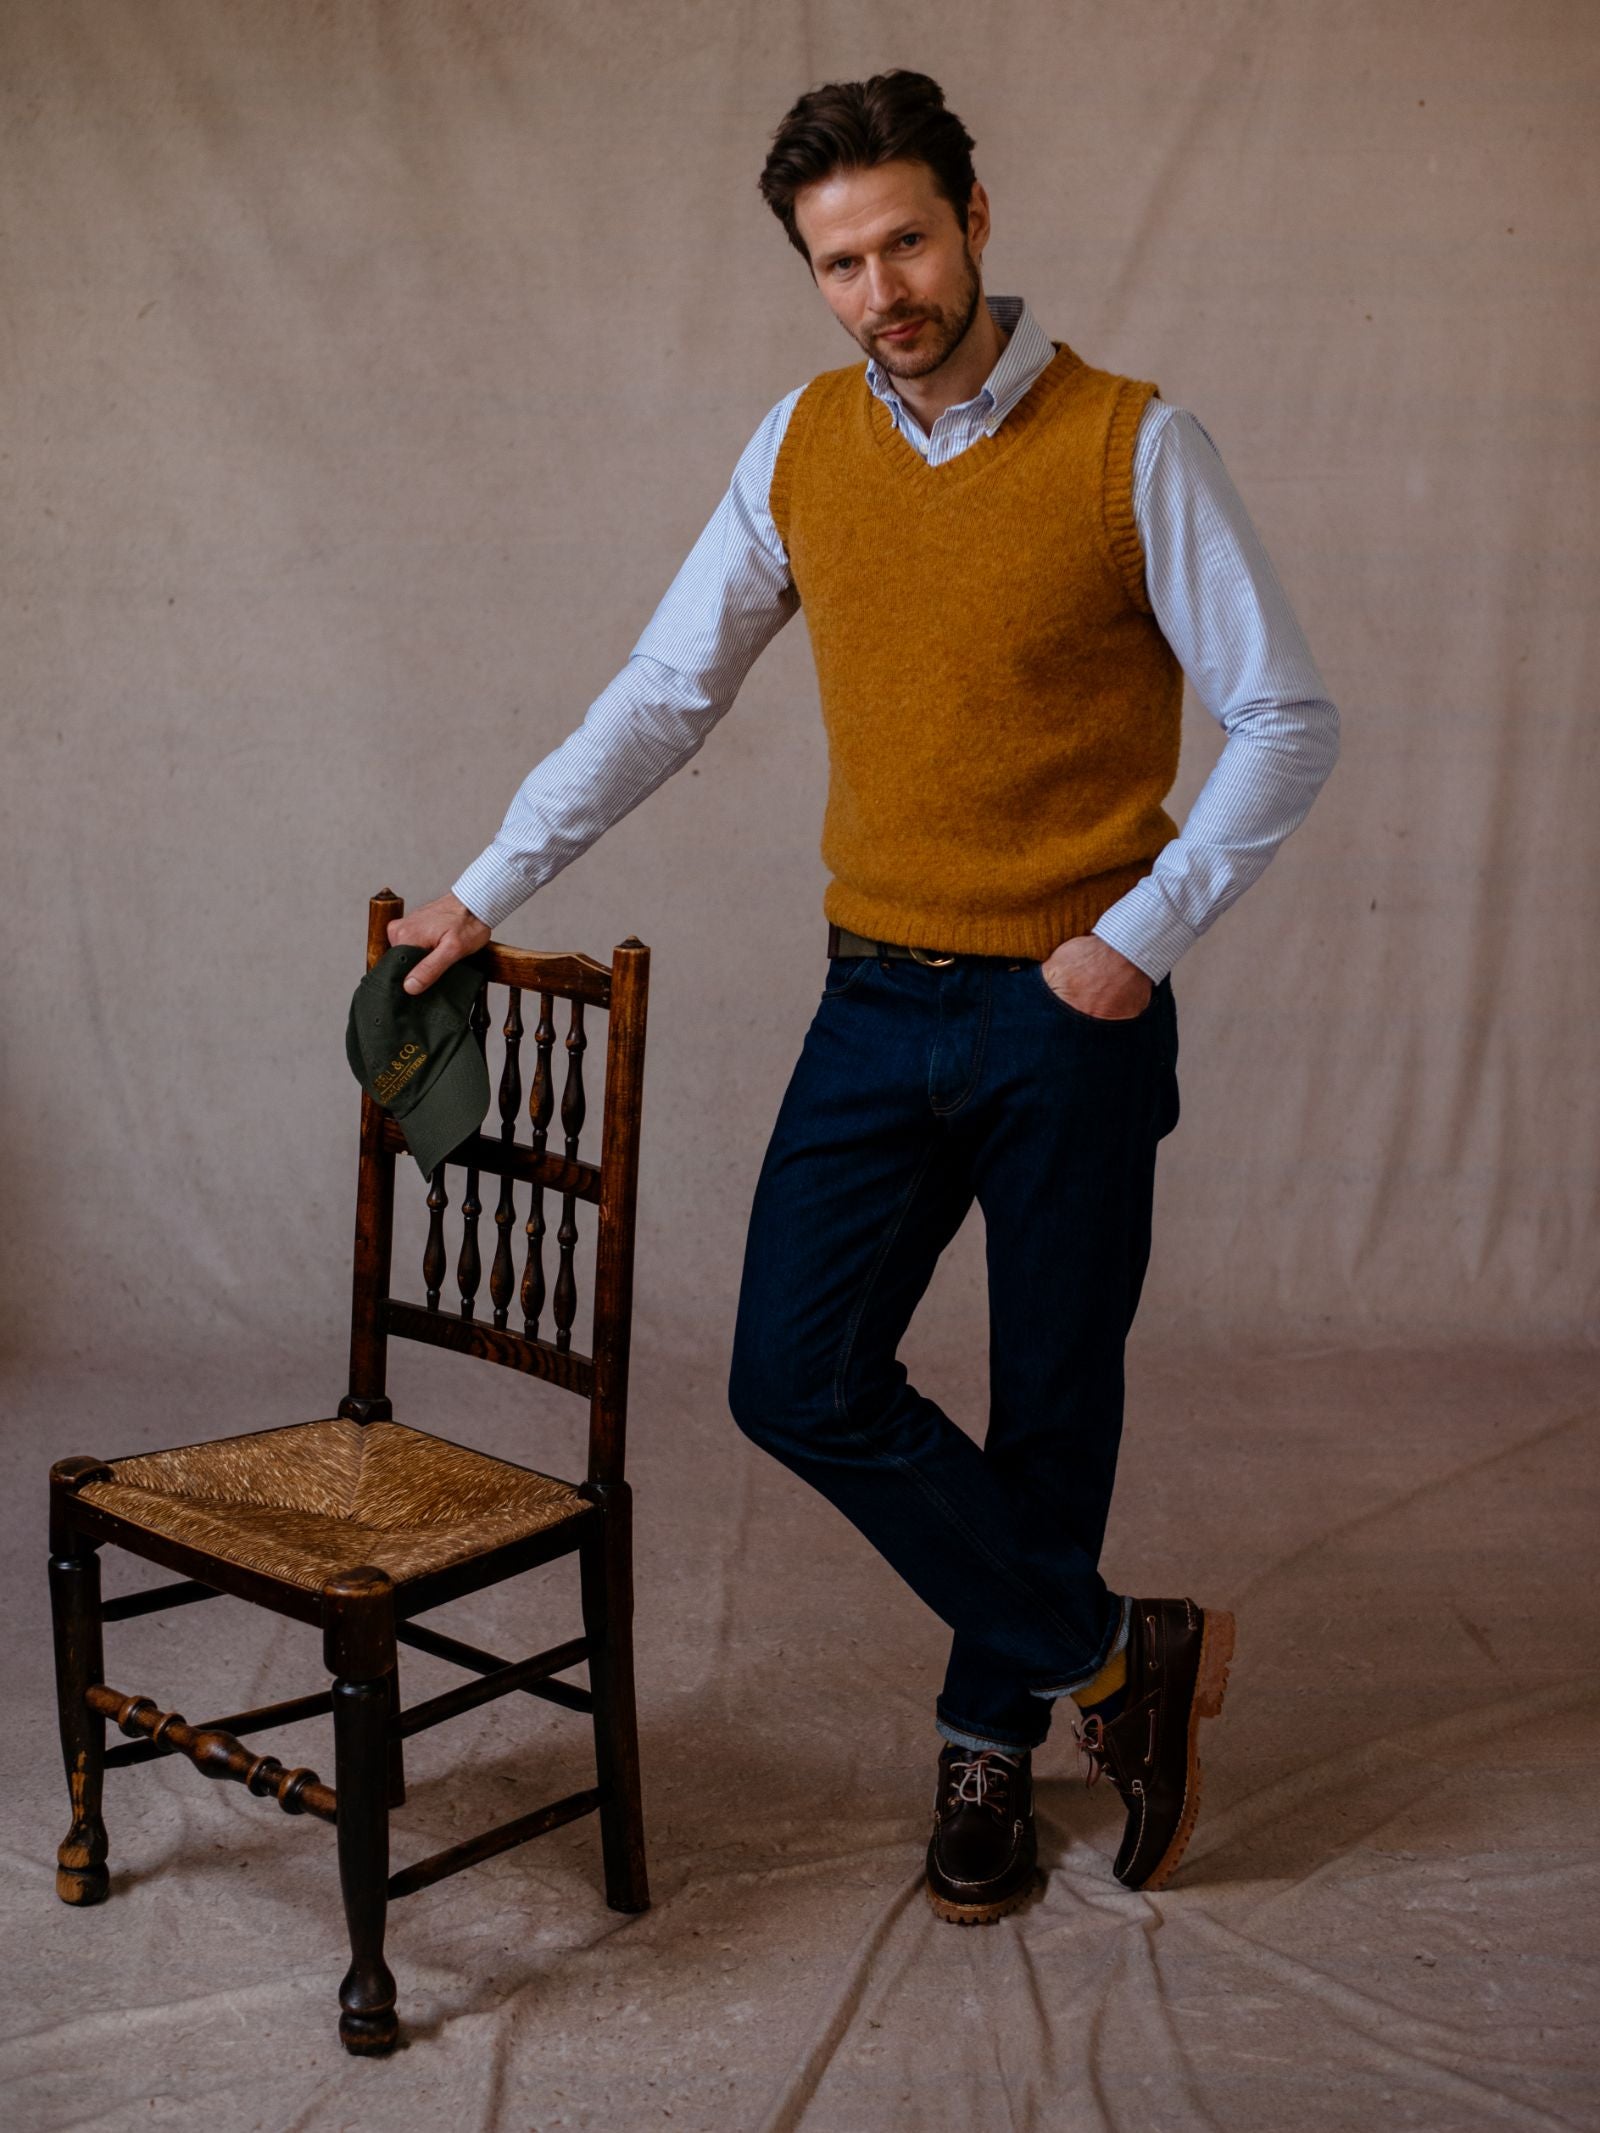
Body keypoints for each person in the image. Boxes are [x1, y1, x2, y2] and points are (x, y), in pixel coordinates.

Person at [388, 70, 1339, 1920]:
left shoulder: (1133, 443)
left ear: (976, 218)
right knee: (795, 1376)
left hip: (1071, 1010)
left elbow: (1286, 716)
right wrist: (487, 886)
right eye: (839, 263)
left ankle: (989, 1739)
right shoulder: (801, 443)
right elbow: (668, 692)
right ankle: (1117, 1658)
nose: (880, 291)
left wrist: (1138, 935)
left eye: (905, 241)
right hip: (876, 1001)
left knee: (1053, 1398)